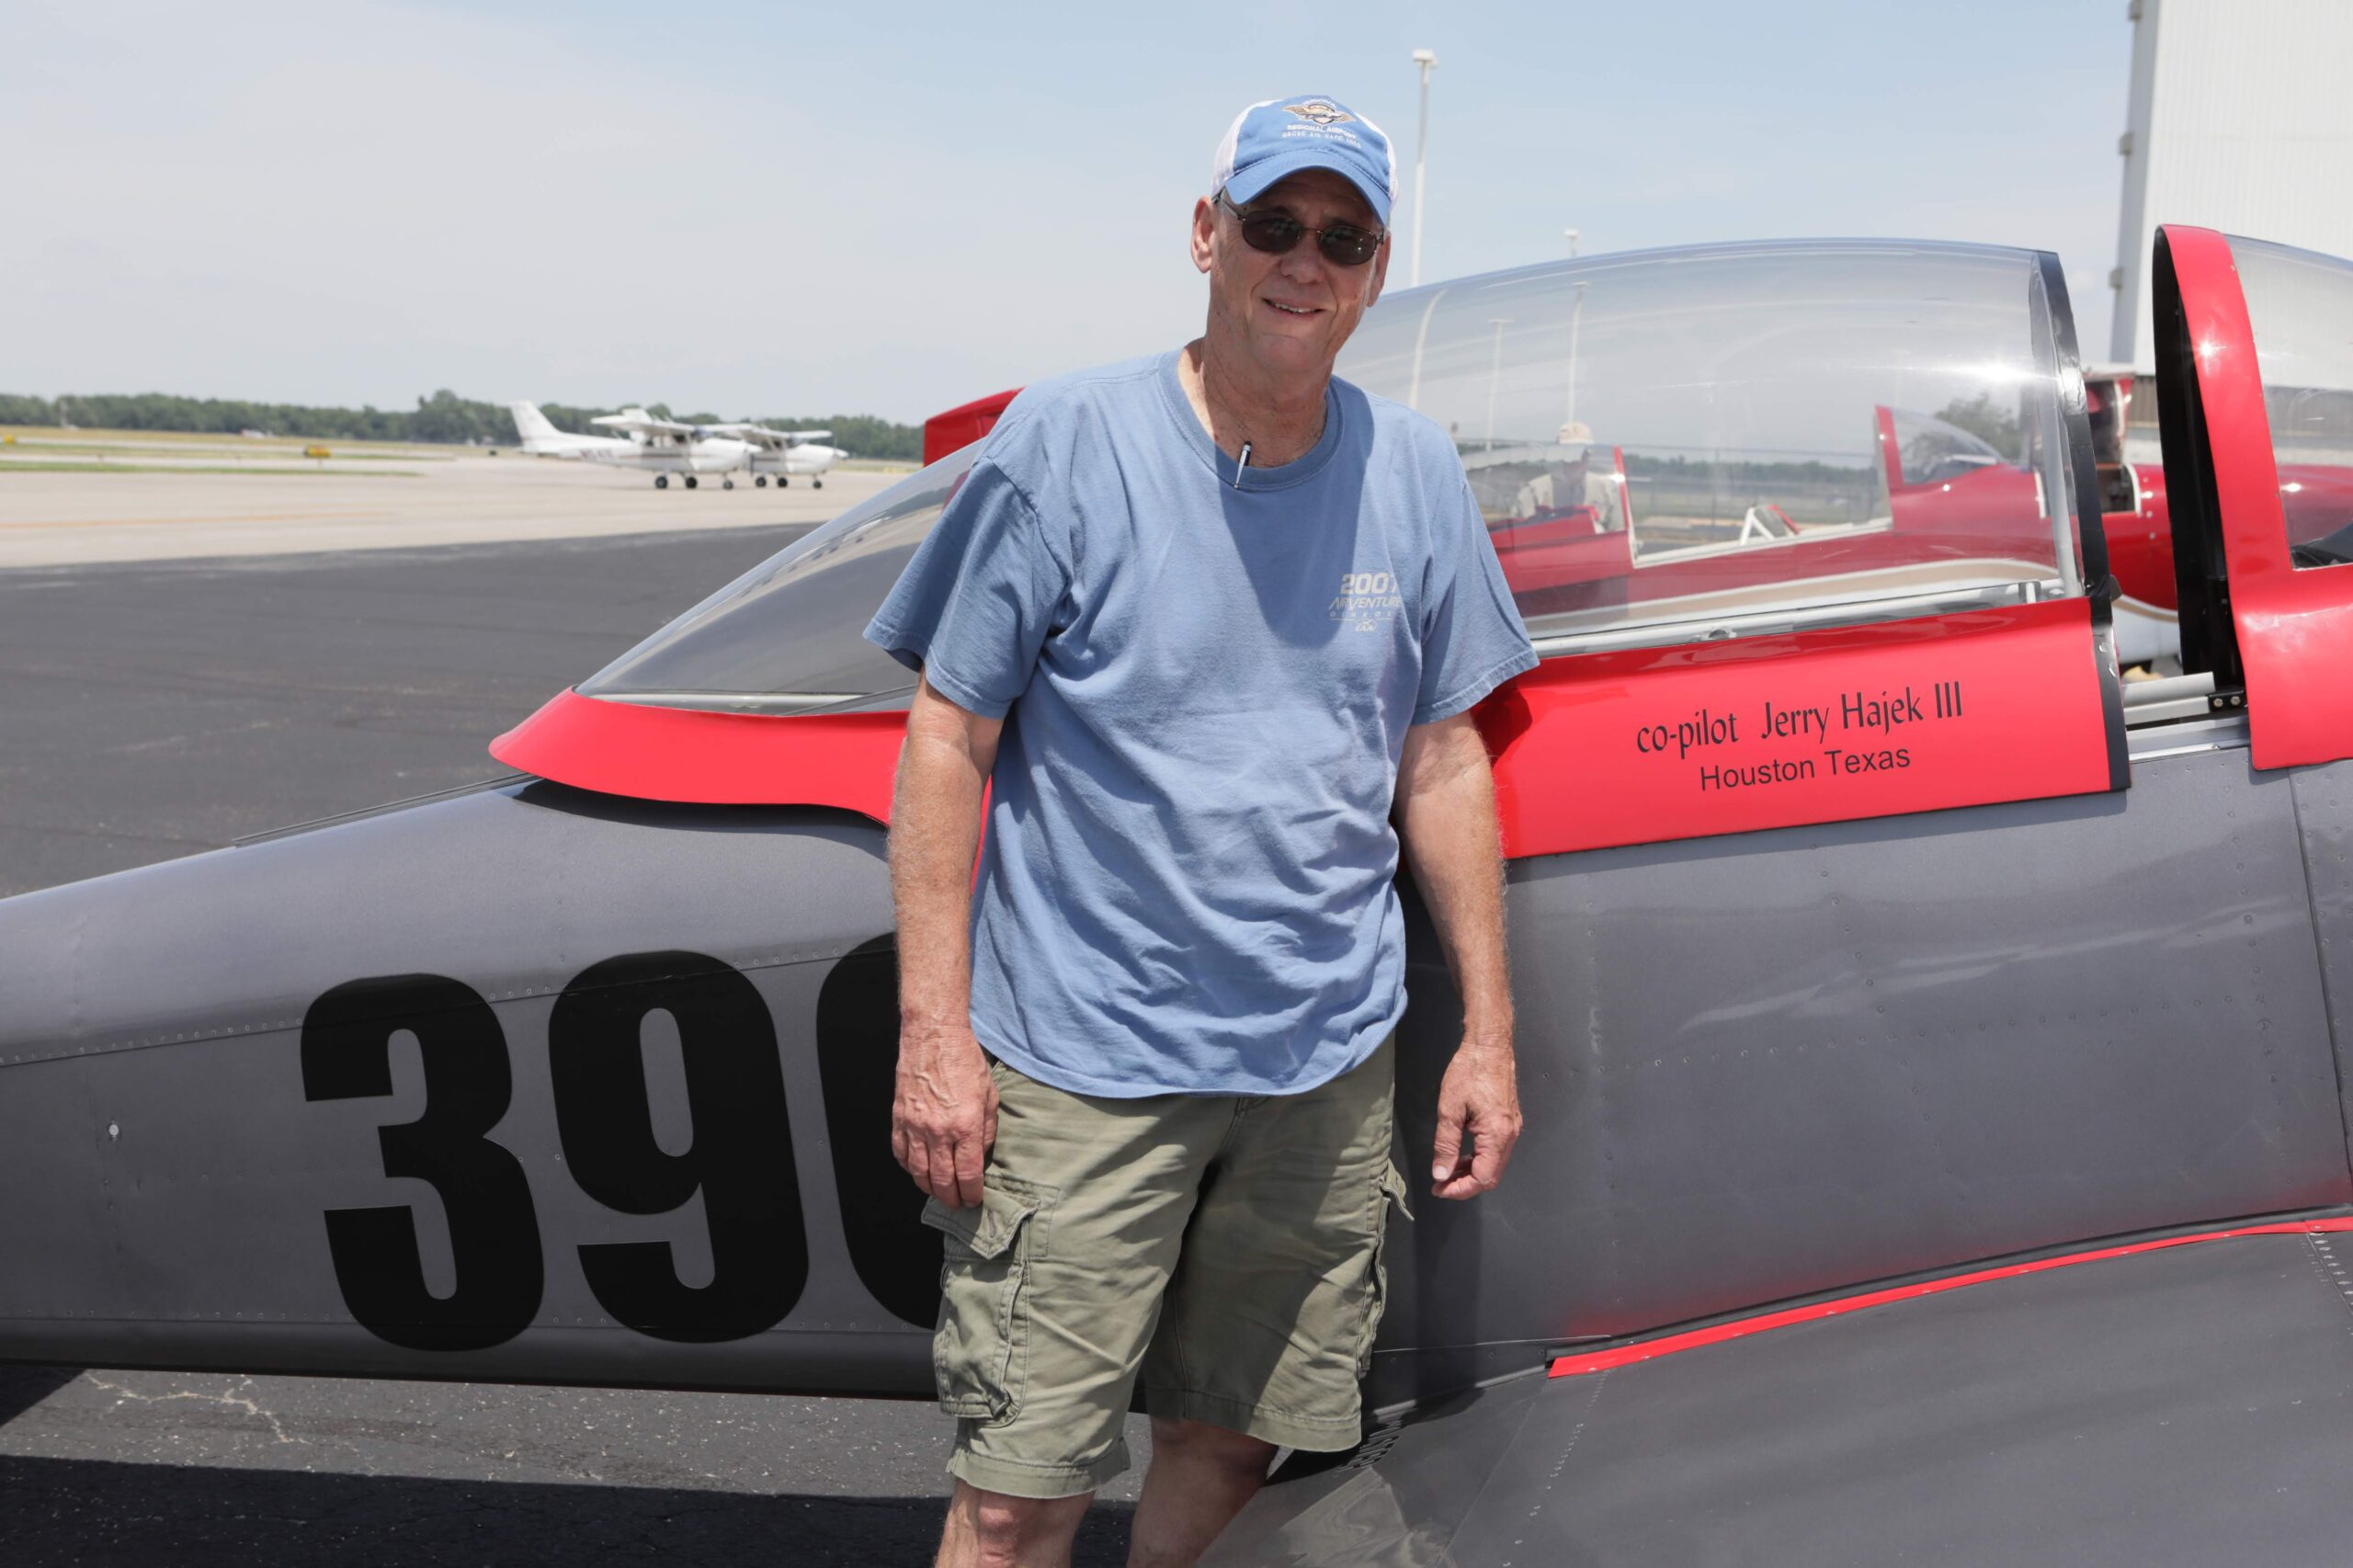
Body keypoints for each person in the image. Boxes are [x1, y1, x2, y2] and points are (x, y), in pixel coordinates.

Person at [863, 92, 1538, 1568]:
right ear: (1205, 234)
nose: (1305, 260)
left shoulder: (1415, 470)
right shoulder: (1066, 444)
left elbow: (1442, 758)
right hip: (1083, 1063)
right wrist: (935, 1034)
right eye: (1274, 222)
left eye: (1343, 238)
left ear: (1374, 272)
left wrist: (1488, 1034)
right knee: (1017, 1497)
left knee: (1230, 1450)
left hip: (1320, 1071)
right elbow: (946, 735)